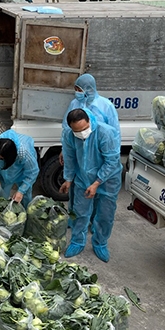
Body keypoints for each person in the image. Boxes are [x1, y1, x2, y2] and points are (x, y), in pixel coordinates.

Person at [59, 109, 122, 262]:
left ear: (89, 121)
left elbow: (111, 161)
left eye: (84, 128)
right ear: (71, 128)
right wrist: (68, 179)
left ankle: (100, 243)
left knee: (105, 214)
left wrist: (97, 183)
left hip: (108, 180)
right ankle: (77, 241)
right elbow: (69, 158)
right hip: (83, 177)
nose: (82, 133)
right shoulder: (69, 135)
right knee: (79, 212)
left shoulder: (105, 133)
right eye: (77, 131)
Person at [0, 130, 39, 206]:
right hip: (3, 168)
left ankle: (25, 207)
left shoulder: (24, 154)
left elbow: (32, 172)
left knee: (25, 194)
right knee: (2, 189)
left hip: (21, 170)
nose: (0, 159)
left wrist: (21, 191)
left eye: (2, 158)